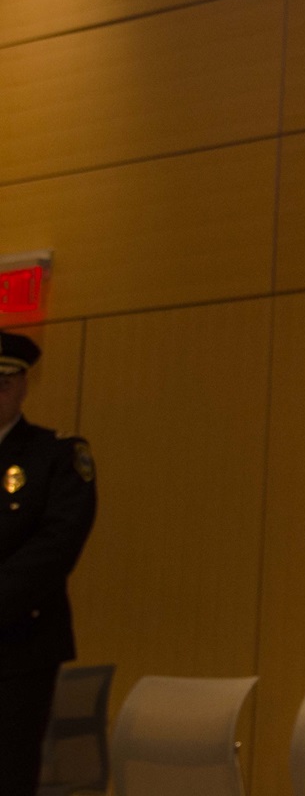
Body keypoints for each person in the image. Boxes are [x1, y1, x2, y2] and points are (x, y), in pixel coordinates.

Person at [0, 330, 97, 796]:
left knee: (8, 773)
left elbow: (55, 548)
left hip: (18, 647)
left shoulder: (55, 455)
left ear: (21, 385)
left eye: (3, 383)